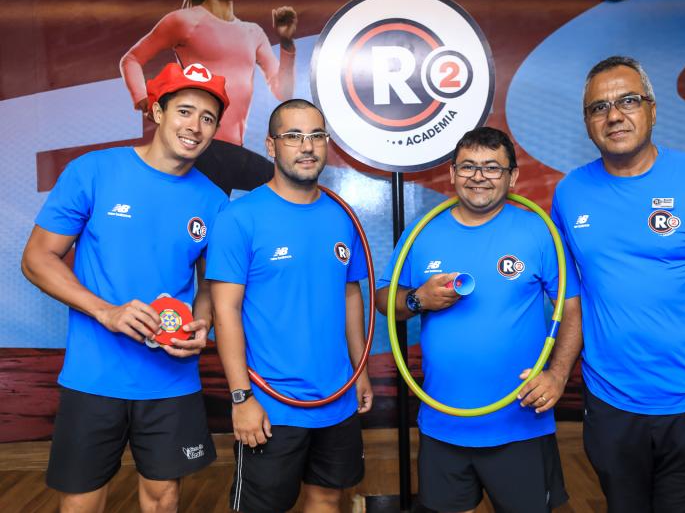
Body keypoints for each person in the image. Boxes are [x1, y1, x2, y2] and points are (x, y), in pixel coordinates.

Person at [551, 55, 685, 512]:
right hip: (610, 403)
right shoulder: (569, 193)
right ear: (587, 123)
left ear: (652, 109)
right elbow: (571, 295)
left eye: (628, 100)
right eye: (599, 107)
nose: (614, 115)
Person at [21, 62, 230, 512]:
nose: (195, 127)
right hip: (94, 375)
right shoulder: (93, 171)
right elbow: (37, 258)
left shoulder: (214, 200)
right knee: (81, 500)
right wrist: (106, 311)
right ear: (157, 111)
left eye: (208, 118)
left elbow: (210, 285)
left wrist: (203, 323)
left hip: (171, 379)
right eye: (185, 111)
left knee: (163, 497)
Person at [376, 127, 582, 513]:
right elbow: (385, 300)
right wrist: (420, 299)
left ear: (512, 176)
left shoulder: (538, 232)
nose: (479, 176)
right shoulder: (422, 232)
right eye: (468, 166)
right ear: (452, 173)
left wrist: (556, 375)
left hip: (520, 422)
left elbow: (570, 309)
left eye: (492, 167)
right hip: (443, 423)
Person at [207, 99, 373, 512]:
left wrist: (360, 371)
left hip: (337, 398)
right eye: (293, 136)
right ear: (271, 145)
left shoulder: (342, 216)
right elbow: (225, 312)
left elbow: (350, 294)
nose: (307, 146)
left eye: (317, 136)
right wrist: (241, 398)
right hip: (270, 404)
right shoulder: (239, 218)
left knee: (328, 499)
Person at [120, 0, 297, 195]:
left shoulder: (253, 32)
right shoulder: (183, 20)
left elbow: (283, 91)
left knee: (285, 187)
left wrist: (286, 43)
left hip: (232, 149)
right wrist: (143, 99)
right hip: (197, 145)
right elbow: (131, 59)